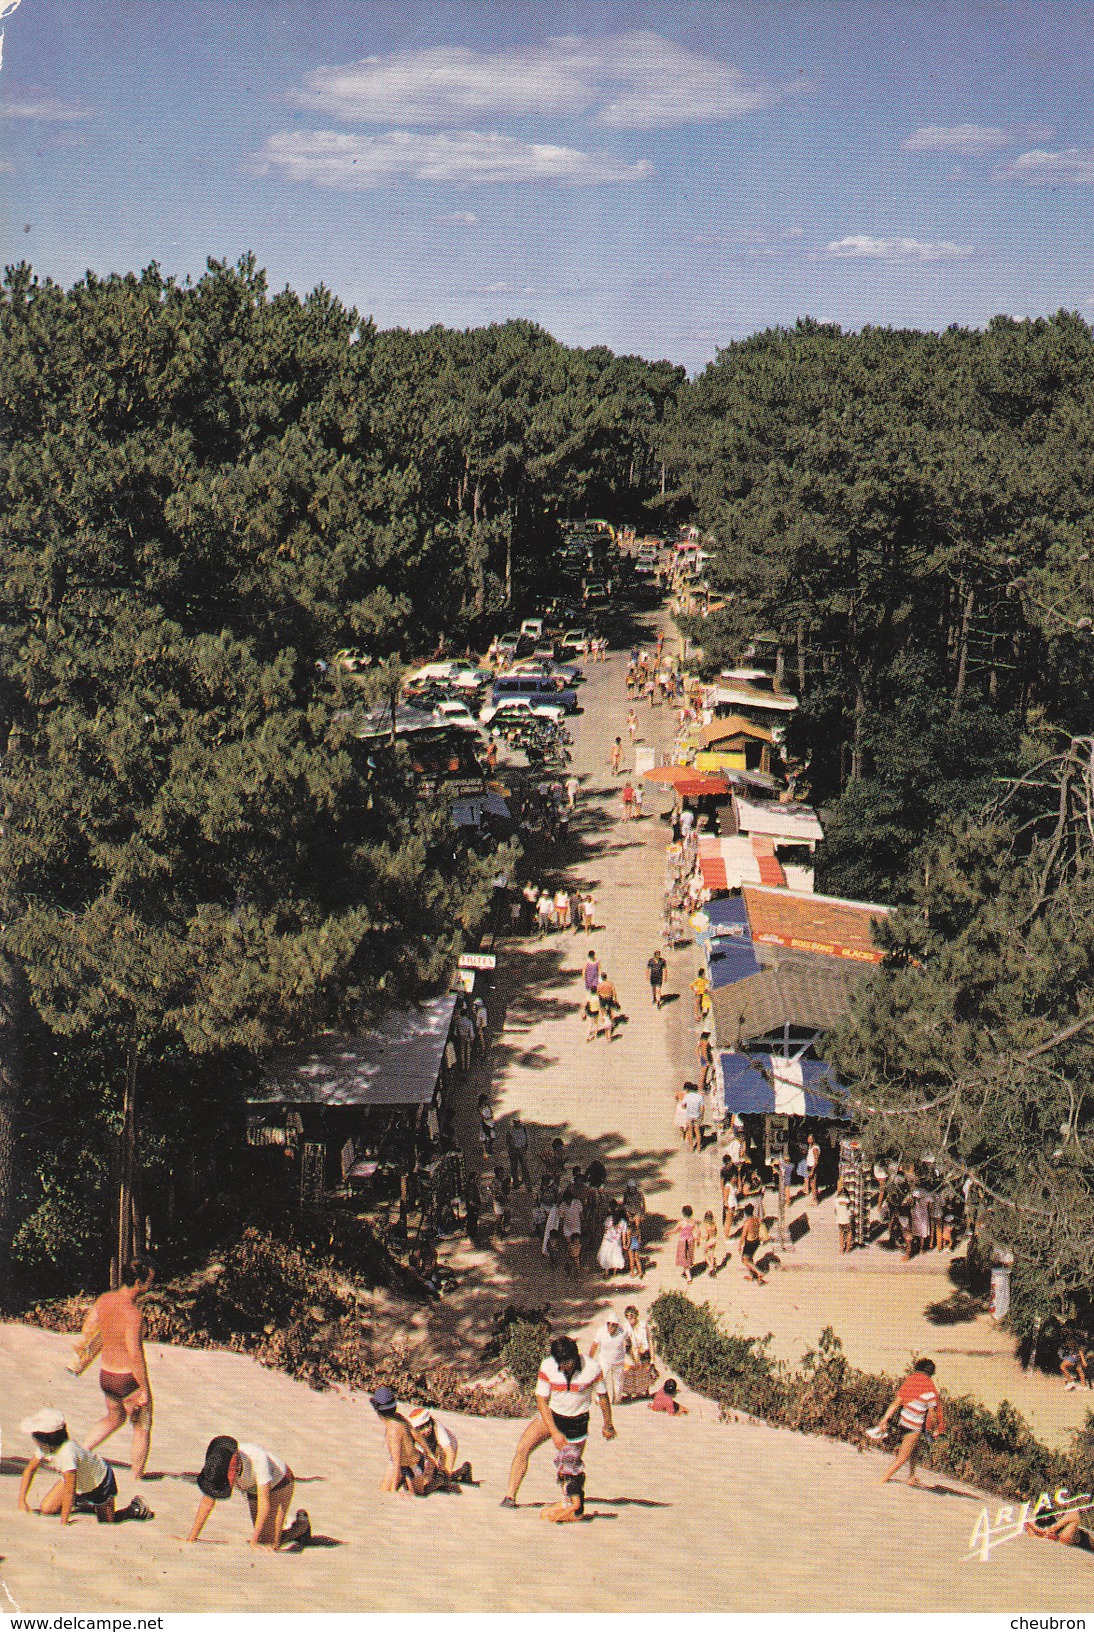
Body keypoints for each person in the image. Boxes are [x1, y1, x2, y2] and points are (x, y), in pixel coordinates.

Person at [501, 1335, 615, 1507]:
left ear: (575, 1357)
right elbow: (541, 1401)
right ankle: (510, 1497)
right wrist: (554, 1432)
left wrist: (608, 1425)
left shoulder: (593, 1368)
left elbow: (603, 1397)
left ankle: (571, 1502)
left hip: (577, 1421)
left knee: (569, 1466)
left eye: (565, 1363)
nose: (561, 1367)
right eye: (558, 1362)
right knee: (523, 1447)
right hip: (552, 1415)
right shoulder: (548, 1366)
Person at [79, 1258, 155, 1480]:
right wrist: (145, 1389)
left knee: (114, 1417)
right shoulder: (133, 1314)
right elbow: (135, 1355)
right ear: (138, 1282)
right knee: (142, 1425)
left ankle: (82, 1451)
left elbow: (88, 1329)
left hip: (106, 1375)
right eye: (148, 1282)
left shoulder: (104, 1300)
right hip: (126, 1378)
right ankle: (137, 1477)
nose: (150, 1286)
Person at [18, 1409, 152, 1526]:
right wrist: (22, 1500)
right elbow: (30, 1470)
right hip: (79, 1483)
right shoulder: (45, 1448)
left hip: (100, 1483)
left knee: (107, 1522)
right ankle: (83, 1500)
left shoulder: (68, 1452)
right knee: (47, 1509)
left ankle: (134, 1509)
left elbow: (70, 1489)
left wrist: (64, 1521)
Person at [188, 1434, 305, 1546]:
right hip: (252, 1488)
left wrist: (253, 1542)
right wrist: (191, 1538)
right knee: (263, 1538)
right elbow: (207, 1502)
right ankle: (282, 1527)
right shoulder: (218, 1462)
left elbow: (264, 1504)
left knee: (269, 1543)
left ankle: (302, 1527)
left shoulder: (257, 1456)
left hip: (280, 1483)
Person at [871, 1359, 944, 1486]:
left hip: (903, 1422)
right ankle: (881, 1480)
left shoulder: (910, 1382)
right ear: (931, 1373)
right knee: (903, 1457)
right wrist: (935, 1429)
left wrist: (884, 1420)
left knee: (914, 1448)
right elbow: (933, 1414)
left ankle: (911, 1476)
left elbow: (896, 1403)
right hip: (914, 1425)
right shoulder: (930, 1390)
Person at [369, 1386, 440, 1496]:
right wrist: (430, 1453)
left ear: (378, 1411)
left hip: (412, 1466)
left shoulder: (393, 1431)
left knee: (419, 1495)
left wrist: (393, 1492)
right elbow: (416, 1435)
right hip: (407, 1462)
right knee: (383, 1492)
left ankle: (440, 1481)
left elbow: (397, 1463)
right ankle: (404, 1481)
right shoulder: (399, 1417)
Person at [405, 1407, 473, 1486]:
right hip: (431, 1447)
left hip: (448, 1445)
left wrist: (447, 1478)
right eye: (421, 1428)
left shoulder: (438, 1428)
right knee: (431, 1475)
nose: (426, 1430)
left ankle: (464, 1469)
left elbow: (449, 1452)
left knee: (443, 1475)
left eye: (427, 1425)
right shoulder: (412, 1434)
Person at [589, 1313, 629, 1402]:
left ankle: (617, 1399)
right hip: (604, 1360)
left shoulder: (623, 1331)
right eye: (611, 1325)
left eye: (615, 1325)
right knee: (601, 1379)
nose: (613, 1328)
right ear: (607, 1324)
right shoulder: (600, 1331)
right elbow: (594, 1345)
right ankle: (599, 1398)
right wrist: (589, 1360)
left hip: (619, 1360)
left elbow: (628, 1341)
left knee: (618, 1381)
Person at [740, 1205, 766, 1284]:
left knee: (744, 1260)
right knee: (750, 1258)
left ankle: (758, 1272)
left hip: (749, 1243)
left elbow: (743, 1235)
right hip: (756, 1241)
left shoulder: (747, 1222)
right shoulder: (757, 1220)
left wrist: (739, 1245)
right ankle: (751, 1276)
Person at [506, 1114, 533, 1190]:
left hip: (521, 1149)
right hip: (514, 1150)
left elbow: (525, 1139)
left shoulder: (523, 1129)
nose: (517, 1123)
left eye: (518, 1122)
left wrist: (524, 1148)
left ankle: (528, 1184)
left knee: (524, 1167)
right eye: (516, 1122)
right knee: (514, 1167)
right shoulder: (510, 1131)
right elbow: (508, 1142)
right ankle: (516, 1183)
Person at [596, 1211, 627, 1278]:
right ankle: (614, 1273)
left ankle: (607, 1272)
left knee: (607, 1256)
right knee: (616, 1256)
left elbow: (605, 1230)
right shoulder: (623, 1222)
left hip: (608, 1240)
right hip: (616, 1241)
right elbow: (623, 1234)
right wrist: (624, 1244)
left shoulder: (609, 1219)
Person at [561, 1188, 583, 1276]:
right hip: (567, 1228)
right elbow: (562, 1218)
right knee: (569, 1245)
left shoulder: (577, 1203)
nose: (568, 1202)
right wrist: (561, 1228)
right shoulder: (562, 1205)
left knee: (576, 1245)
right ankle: (570, 1261)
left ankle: (577, 1260)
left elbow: (581, 1215)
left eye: (569, 1200)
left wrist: (584, 1223)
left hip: (576, 1227)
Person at [675, 1204, 696, 1284]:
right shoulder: (693, 1222)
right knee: (688, 1256)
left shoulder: (681, 1222)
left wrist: (668, 1233)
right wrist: (698, 1240)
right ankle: (685, 1271)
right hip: (691, 1241)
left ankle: (689, 1278)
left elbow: (676, 1230)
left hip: (683, 1242)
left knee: (684, 1258)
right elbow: (698, 1232)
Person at [682, 1081, 705, 1151]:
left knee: (690, 1132)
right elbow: (702, 1108)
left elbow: (683, 1106)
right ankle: (698, 1147)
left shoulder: (687, 1096)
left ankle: (691, 1147)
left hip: (689, 1115)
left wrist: (687, 1107)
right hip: (697, 1116)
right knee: (697, 1132)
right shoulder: (700, 1097)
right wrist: (701, 1116)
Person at [596, 972, 619, 1041]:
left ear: (601, 978)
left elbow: (597, 993)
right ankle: (612, 1024)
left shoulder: (599, 985)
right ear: (606, 977)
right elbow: (614, 992)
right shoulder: (610, 984)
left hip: (602, 999)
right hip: (609, 998)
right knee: (611, 1012)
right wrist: (616, 1000)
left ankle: (605, 1026)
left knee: (603, 1014)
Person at [700, 1209, 720, 1277]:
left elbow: (707, 1236)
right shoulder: (714, 1223)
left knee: (705, 1254)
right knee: (711, 1255)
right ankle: (713, 1269)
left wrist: (700, 1238)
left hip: (709, 1240)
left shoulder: (706, 1225)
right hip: (714, 1240)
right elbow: (716, 1231)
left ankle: (711, 1268)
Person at [835, 1180, 853, 1253]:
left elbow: (835, 1210)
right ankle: (848, 1248)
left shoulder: (836, 1200)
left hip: (840, 1218)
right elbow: (850, 1210)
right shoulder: (848, 1200)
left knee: (841, 1233)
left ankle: (841, 1249)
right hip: (847, 1218)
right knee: (849, 1231)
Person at [804, 1134, 820, 1204]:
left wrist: (812, 1171)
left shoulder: (815, 1148)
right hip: (809, 1166)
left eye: (810, 1139)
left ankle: (815, 1199)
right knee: (811, 1183)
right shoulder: (811, 1147)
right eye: (808, 1139)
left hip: (813, 1167)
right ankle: (814, 1197)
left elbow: (816, 1160)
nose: (809, 1140)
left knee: (813, 1183)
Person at [696, 1029, 713, 1093]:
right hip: (705, 1059)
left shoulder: (700, 1042)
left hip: (702, 1058)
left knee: (703, 1074)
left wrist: (698, 1057)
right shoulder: (705, 1042)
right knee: (703, 1074)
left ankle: (703, 1086)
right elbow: (705, 1052)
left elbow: (696, 1050)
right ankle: (701, 1088)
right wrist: (707, 1061)